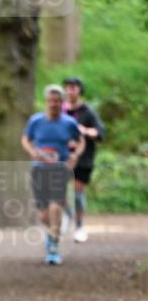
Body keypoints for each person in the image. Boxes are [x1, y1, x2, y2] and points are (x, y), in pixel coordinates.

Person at [21, 85, 84, 265]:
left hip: (59, 169)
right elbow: (25, 138)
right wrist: (32, 151)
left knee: (55, 206)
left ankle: (54, 246)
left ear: (62, 102)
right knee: (43, 215)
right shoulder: (36, 121)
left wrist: (75, 156)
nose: (53, 104)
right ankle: (52, 234)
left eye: (57, 101)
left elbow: (81, 142)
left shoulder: (69, 123)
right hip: (39, 169)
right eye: (50, 101)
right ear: (46, 102)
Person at [62, 77, 106, 243]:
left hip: (83, 158)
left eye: (73, 88)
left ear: (80, 90)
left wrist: (84, 131)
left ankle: (79, 227)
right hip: (62, 157)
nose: (70, 91)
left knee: (77, 194)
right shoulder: (60, 111)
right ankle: (67, 217)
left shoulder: (88, 112)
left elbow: (100, 133)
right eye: (67, 88)